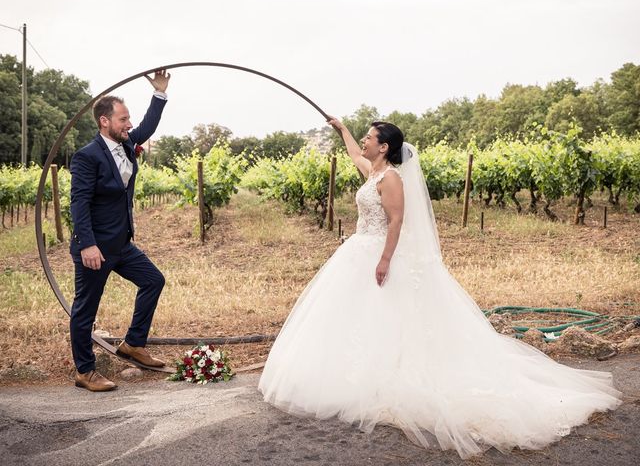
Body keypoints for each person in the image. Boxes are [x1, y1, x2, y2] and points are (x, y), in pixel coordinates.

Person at [258, 117, 622, 459]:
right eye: (366, 137)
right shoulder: (373, 172)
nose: (365, 142)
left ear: (384, 147)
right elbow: (354, 154)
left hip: (378, 252)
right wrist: (343, 129)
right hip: (357, 250)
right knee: (357, 318)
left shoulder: (392, 180)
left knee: (387, 314)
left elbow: (397, 221)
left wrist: (384, 260)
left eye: (370, 137)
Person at [69, 70, 171, 392]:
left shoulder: (125, 145)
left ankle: (133, 344)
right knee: (85, 309)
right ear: (105, 122)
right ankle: (85, 371)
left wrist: (160, 94)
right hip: (95, 248)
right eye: (123, 119)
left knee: (153, 280)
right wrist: (87, 245)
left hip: (121, 245)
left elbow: (146, 127)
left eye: (128, 119)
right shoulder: (87, 157)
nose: (128, 124)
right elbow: (79, 204)